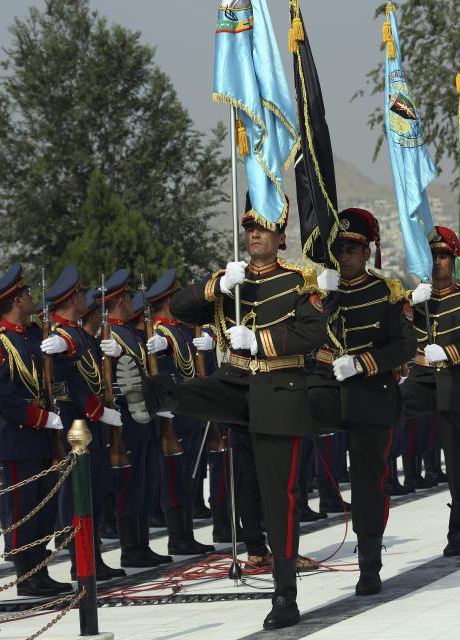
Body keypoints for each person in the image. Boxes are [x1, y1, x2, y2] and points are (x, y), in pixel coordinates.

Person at [141, 207, 327, 630]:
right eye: (250, 229)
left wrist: (261, 341)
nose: (254, 235)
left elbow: (314, 333)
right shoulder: (233, 281)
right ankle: (166, 396)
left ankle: (285, 593)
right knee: (202, 397)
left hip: (280, 390)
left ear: (281, 237)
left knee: (280, 497)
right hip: (236, 384)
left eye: (263, 228)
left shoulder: (302, 281)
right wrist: (216, 286)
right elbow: (179, 308)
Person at [306, 207, 417, 591]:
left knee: (369, 482)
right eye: (340, 249)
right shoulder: (322, 294)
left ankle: (369, 563)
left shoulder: (387, 292)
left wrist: (364, 363)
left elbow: (405, 346)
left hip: (371, 395)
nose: (346, 255)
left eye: (353, 248)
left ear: (368, 252)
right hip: (327, 396)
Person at [0, 263, 73, 597]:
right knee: (24, 512)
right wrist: (42, 418)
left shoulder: (35, 335)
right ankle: (26, 576)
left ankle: (40, 570)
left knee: (44, 510)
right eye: (25, 295)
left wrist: (65, 348)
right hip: (18, 438)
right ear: (17, 300)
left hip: (42, 438)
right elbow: (3, 397)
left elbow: (55, 372)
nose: (30, 298)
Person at [401, 226, 460, 554]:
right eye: (432, 256)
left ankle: (459, 531)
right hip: (421, 381)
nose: (437, 262)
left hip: (456, 382)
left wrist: (453, 353)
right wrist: (410, 304)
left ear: (453, 260)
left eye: (443, 256)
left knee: (459, 462)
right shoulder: (413, 302)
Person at [39, 264, 125, 581]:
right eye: (81, 294)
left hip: (92, 428)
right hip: (78, 427)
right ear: (73, 298)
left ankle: (93, 556)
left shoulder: (76, 333)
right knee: (81, 495)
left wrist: (113, 355)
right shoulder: (62, 338)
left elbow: (94, 375)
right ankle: (82, 560)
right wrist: (100, 412)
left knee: (97, 493)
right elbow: (72, 386)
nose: (85, 298)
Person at [100, 269, 174, 567]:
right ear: (120, 301)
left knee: (145, 483)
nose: (133, 302)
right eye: (129, 297)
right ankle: (131, 548)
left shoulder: (130, 331)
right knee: (130, 485)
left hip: (147, 418)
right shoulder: (111, 335)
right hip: (130, 420)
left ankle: (141, 544)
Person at [142, 268, 218, 556]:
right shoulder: (161, 334)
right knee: (174, 479)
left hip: (192, 412)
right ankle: (178, 537)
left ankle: (186, 534)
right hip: (175, 416)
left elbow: (201, 369)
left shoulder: (183, 330)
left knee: (188, 478)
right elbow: (161, 373)